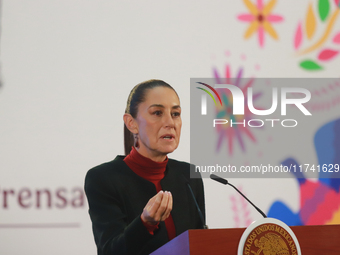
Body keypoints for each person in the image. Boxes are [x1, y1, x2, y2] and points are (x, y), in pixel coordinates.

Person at [84, 79, 205, 255]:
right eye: (157, 113)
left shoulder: (188, 175)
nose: (170, 122)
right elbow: (110, 251)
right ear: (131, 123)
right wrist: (145, 223)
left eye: (175, 114)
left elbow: (200, 244)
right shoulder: (103, 178)